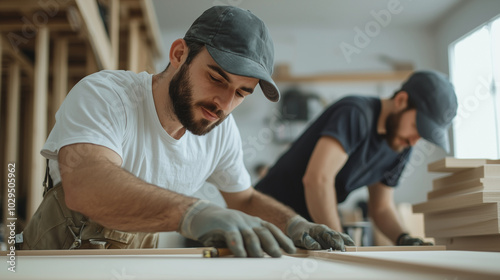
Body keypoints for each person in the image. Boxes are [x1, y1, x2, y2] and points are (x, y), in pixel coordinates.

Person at [18, 6, 353, 257]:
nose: (223, 102)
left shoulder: (223, 132)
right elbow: (85, 185)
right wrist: (193, 212)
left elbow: (245, 198)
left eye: (240, 93)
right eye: (217, 79)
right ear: (179, 54)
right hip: (55, 260)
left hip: (133, 264)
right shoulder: (108, 94)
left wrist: (295, 225)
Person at [255, 71, 457, 246]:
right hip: (265, 215)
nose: (414, 141)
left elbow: (381, 207)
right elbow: (317, 180)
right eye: (416, 127)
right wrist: (339, 240)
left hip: (307, 229)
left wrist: (403, 238)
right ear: (401, 101)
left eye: (422, 136)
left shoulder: (401, 144)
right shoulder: (355, 113)